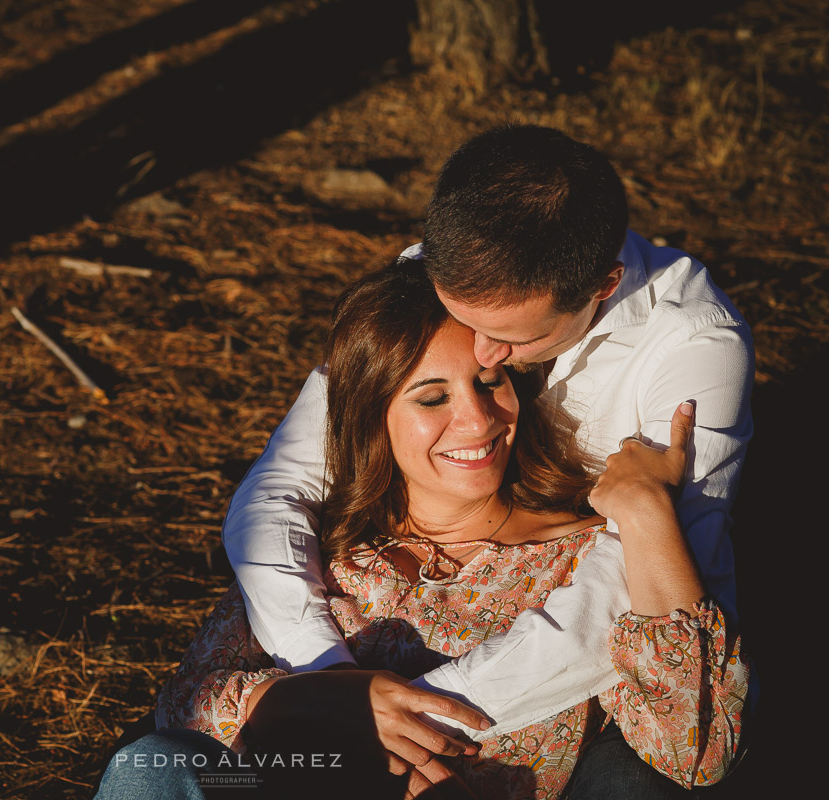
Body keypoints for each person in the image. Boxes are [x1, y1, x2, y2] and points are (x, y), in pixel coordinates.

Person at [221, 125, 753, 793]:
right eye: (462, 318)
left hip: (601, 674)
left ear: (603, 285)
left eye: (508, 339)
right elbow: (280, 486)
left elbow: (631, 577)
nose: (485, 355)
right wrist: (335, 683)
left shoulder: (693, 347)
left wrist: (416, 716)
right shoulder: (445, 265)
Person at [96, 265, 747, 799]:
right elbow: (184, 703)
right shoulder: (331, 549)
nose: (478, 420)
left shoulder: (581, 562)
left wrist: (647, 511)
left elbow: (695, 750)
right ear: (373, 418)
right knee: (152, 768)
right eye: (432, 397)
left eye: (491, 384)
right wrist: (326, 698)